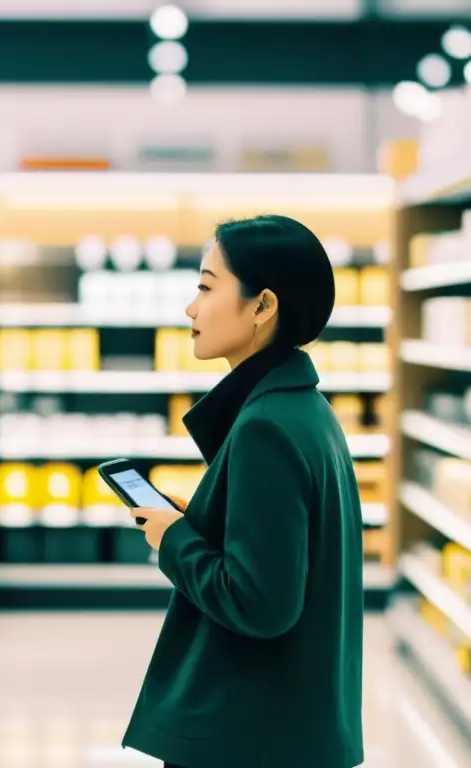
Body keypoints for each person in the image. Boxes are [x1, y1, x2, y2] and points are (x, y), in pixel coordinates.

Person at [121, 214, 365, 768]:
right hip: (293, 728)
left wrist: (175, 540)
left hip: (248, 738)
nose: (191, 308)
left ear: (262, 306)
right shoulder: (305, 409)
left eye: (207, 287)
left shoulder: (264, 428)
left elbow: (260, 603)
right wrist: (203, 519)